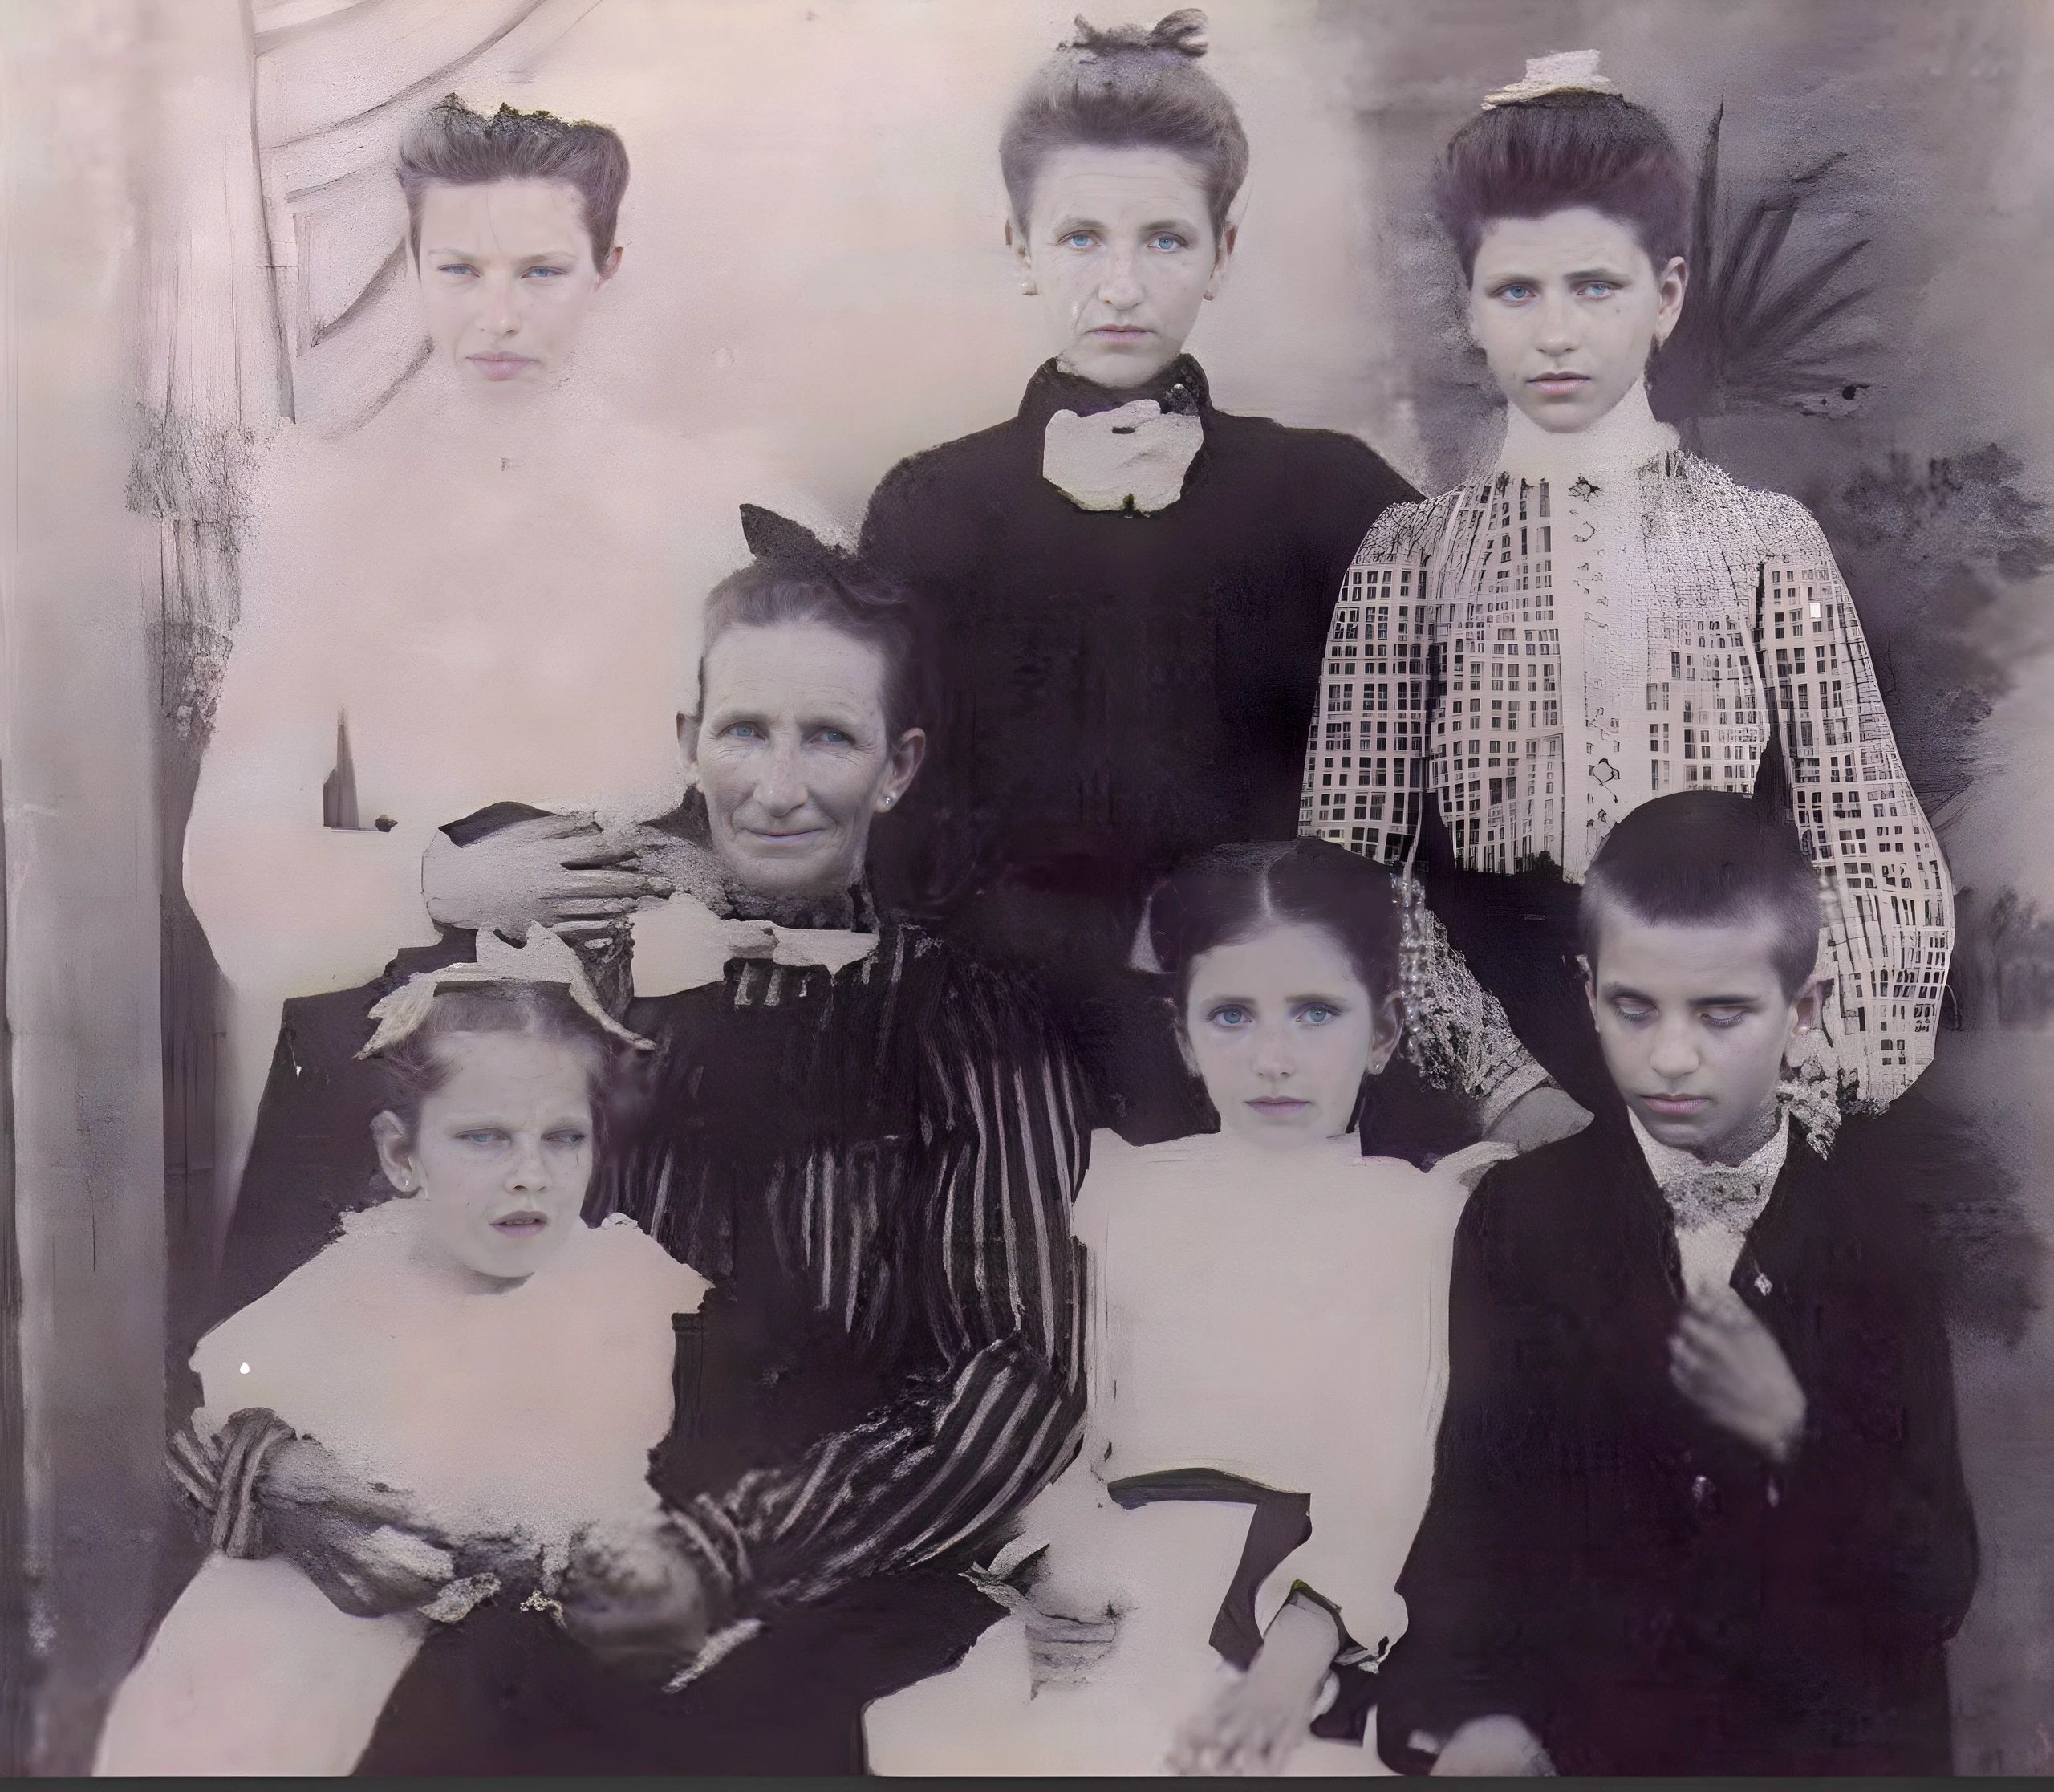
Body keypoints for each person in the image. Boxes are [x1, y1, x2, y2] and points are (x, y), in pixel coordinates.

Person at [173, 514, 1093, 1776]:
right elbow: (344, 1276)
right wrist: (261, 1463)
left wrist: (719, 1556)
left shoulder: (975, 1024)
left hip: (833, 1582)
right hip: (539, 1555)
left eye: (829, 737)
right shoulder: (561, 990)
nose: (777, 786)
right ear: (688, 743)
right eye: (744, 731)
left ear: (898, 766)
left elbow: (1016, 1376)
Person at [184, 93, 812, 1237]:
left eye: (541, 272)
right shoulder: (332, 501)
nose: (497, 318)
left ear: (606, 267)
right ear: (412, 263)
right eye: (458, 270)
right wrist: (437, 885)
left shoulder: (706, 502)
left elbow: (803, 790)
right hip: (405, 1037)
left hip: (647, 1031)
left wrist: (708, 868)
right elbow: (228, 861)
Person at [1301, 51, 1952, 1151]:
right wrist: (1504, 1088)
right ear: (1469, 308)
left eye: (1594, 286)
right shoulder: (1410, 555)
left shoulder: (1762, 544)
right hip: (1497, 1055)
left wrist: (1785, 1086)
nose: (1556, 332)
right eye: (1517, 290)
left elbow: (1876, 858)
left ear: (1668, 296)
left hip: (1724, 1040)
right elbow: (1351, 872)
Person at [859, 10, 1417, 1145]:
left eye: (1164, 240)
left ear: (1224, 251)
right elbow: (897, 826)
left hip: (1285, 1059)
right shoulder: (933, 509)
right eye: (1079, 239)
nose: (1120, 286)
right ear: (1017, 246)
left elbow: (1412, 806)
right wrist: (1113, 937)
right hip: (1009, 1053)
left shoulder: (1332, 495)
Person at [866, 839, 1512, 1776]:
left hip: (1276, 1610)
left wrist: (1299, 1646)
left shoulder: (1406, 1215)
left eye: (1316, 1014)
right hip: (1108, 1578)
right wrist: (1042, 1566)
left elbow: (1385, 1463)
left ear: (1383, 1031)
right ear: (1182, 1035)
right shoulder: (1117, 1190)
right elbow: (1057, 1403)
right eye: (1233, 1016)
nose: (1275, 1056)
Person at [1376, 791, 1976, 1777]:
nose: (1668, 1055)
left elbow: (1938, 1580)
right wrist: (1466, 1710)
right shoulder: (1518, 1218)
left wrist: (1793, 1430)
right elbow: (1473, 1513)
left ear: (1803, 1011)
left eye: (1721, 1012)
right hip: (1589, 1743)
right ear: (1586, 991)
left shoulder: (1877, 1240)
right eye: (1632, 1006)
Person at [100, 954, 706, 1775]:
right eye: (483, 1137)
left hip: (491, 1651)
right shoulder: (355, 1279)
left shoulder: (612, 1288)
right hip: (295, 1642)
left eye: (563, 1137)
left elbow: (602, 1485)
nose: (530, 1173)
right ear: (402, 1155)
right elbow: (220, 1435)